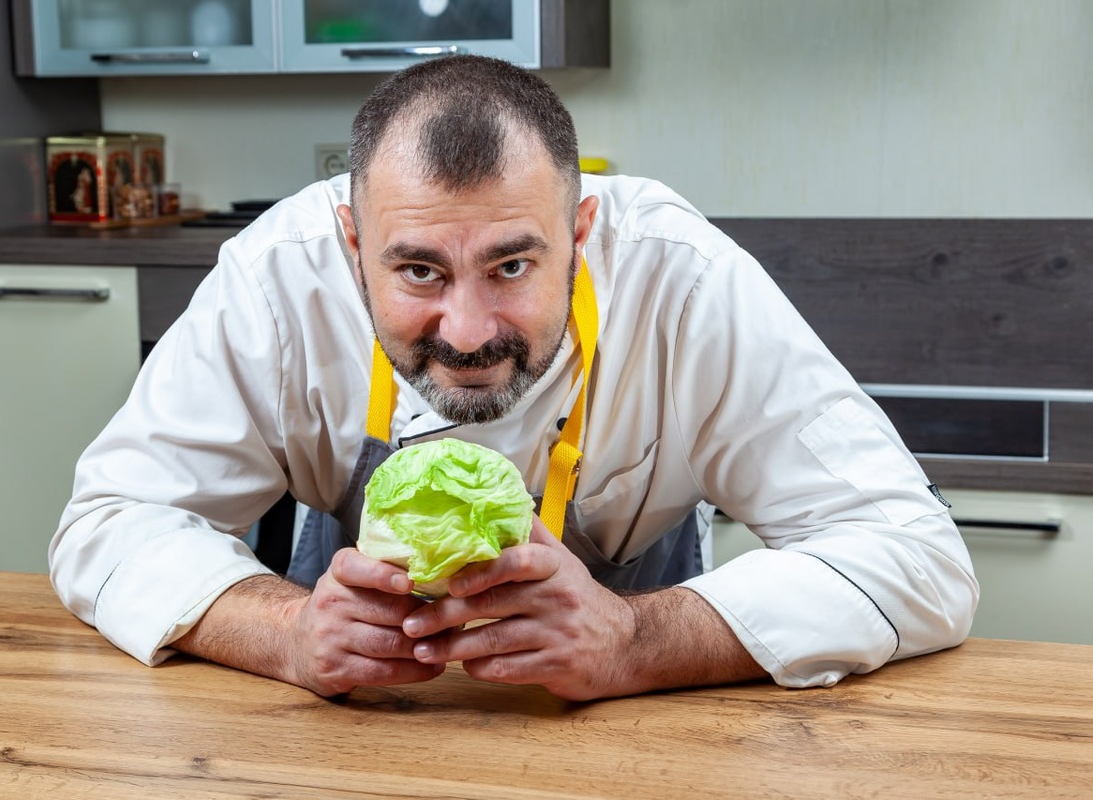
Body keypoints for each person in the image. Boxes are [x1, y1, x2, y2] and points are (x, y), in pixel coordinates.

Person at [50, 55, 978, 702]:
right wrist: (285, 633)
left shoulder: (683, 279)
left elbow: (919, 559)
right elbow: (107, 522)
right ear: (351, 244)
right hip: (351, 728)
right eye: (419, 271)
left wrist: (635, 641)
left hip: (648, 727)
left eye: (511, 266)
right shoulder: (275, 276)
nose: (467, 332)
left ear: (581, 234)